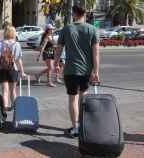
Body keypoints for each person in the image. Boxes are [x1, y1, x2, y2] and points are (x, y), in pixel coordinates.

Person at [55, 5, 100, 137]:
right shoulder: (92, 30)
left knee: (72, 99)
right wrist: (96, 71)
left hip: (70, 70)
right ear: (84, 13)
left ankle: (75, 127)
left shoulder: (66, 29)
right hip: (86, 70)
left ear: (74, 13)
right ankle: (83, 125)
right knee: (83, 98)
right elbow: (96, 53)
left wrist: (56, 63)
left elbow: (59, 48)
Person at [0, 25, 26, 112]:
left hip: (3, 69)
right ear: (13, 33)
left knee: (5, 91)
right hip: (13, 70)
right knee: (13, 91)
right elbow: (19, 60)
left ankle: (4, 108)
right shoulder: (17, 44)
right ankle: (15, 108)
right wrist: (22, 72)